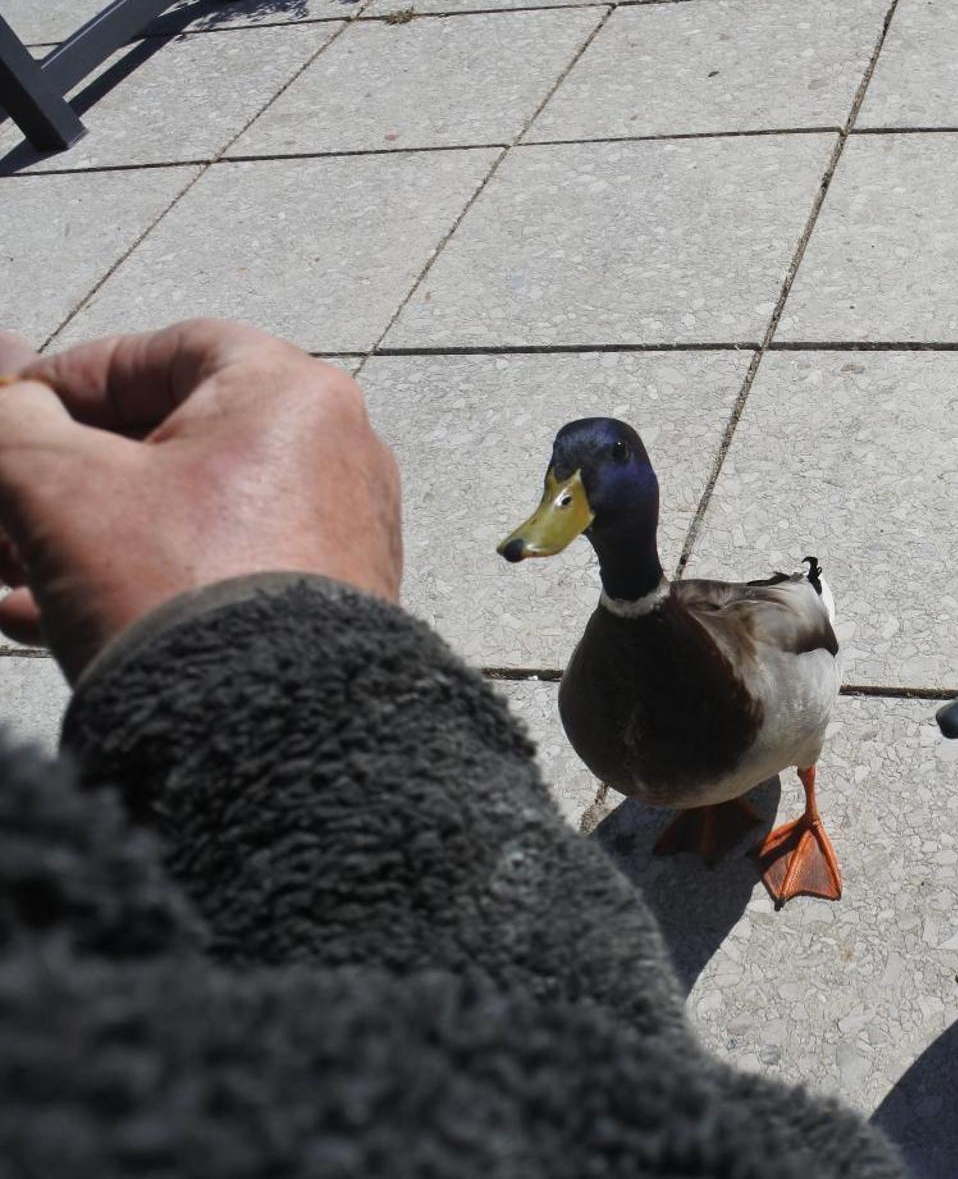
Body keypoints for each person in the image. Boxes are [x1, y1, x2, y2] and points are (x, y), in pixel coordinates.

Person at [0, 318, 905, 1178]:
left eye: (604, 469)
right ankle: (707, 813)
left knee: (786, 732)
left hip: (771, 675)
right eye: (563, 478)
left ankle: (805, 819)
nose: (573, 493)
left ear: (645, 482)